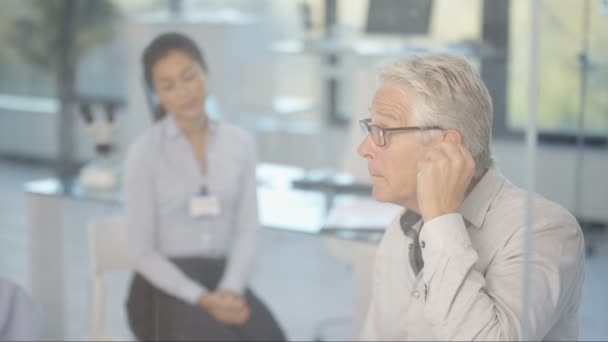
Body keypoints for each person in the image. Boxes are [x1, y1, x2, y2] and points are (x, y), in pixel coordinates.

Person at [357, 53, 585, 341]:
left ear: (445, 147)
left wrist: (441, 221)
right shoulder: (401, 229)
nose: (363, 148)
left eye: (382, 131)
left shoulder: (544, 231)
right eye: (369, 128)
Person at [124, 32, 285, 341]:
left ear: (205, 74)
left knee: (272, 337)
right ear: (157, 95)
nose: (184, 92)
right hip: (161, 289)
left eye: (189, 77)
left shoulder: (240, 143)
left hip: (222, 280)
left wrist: (228, 290)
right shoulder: (144, 152)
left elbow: (247, 229)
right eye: (168, 86)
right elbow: (141, 252)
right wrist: (201, 298)